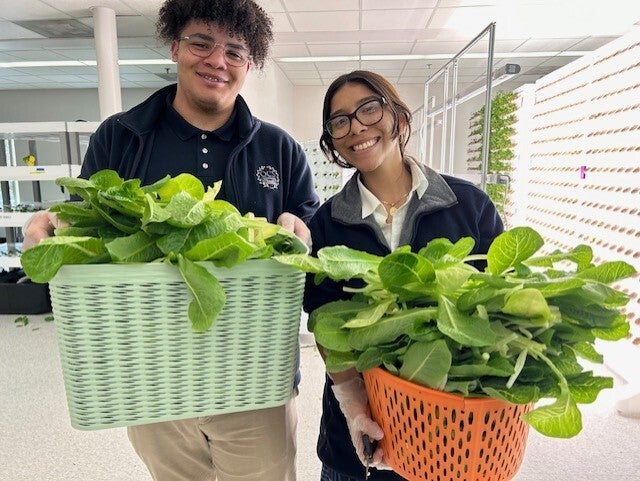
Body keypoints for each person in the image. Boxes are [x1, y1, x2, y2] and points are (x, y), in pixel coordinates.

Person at [22, 1, 320, 480]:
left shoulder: (279, 149)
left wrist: (301, 230)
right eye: (202, 42)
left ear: (250, 64)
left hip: (255, 376)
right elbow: (85, 223)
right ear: (176, 46)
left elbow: (312, 241)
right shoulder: (119, 138)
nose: (217, 61)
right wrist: (51, 226)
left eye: (235, 51)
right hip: (152, 376)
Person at [303, 70, 504, 481]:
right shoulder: (326, 224)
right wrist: (354, 407)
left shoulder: (469, 205)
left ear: (397, 115)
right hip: (358, 443)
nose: (356, 126)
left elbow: (496, 307)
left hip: (453, 435)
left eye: (369, 109)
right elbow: (326, 325)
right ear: (333, 141)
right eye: (339, 121)